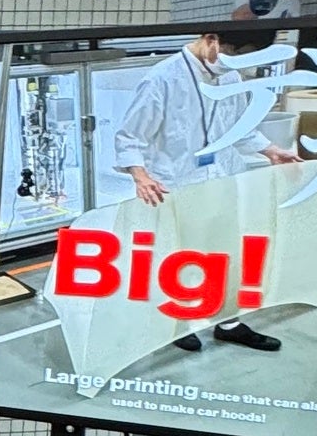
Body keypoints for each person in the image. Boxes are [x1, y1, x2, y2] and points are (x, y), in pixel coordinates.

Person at [109, 26, 298, 353]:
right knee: (179, 257)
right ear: (212, 40)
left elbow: (240, 127)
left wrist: (270, 150)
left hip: (222, 179)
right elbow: (130, 137)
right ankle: (176, 322)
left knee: (227, 253)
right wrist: (140, 175)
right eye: (233, 55)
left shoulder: (230, 77)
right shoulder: (162, 79)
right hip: (176, 185)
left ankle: (229, 323)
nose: (235, 63)